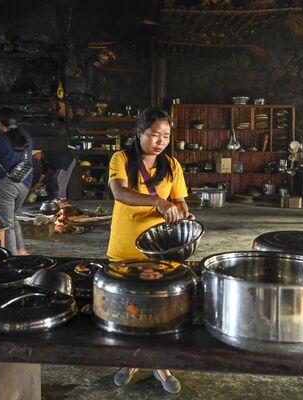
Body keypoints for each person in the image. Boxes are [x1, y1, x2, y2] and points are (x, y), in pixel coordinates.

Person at [107, 107, 194, 394]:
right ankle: (129, 361)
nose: (160, 141)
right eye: (154, 134)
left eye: (166, 136)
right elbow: (120, 193)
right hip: (125, 247)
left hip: (159, 250)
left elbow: (180, 203)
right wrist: (156, 202)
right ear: (139, 133)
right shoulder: (121, 159)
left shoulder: (172, 165)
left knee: (158, 311)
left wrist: (184, 215)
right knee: (127, 311)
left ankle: (159, 365)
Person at [0, 108, 33, 256]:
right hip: (25, 183)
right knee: (12, 218)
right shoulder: (26, 135)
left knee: (6, 225)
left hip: (6, 185)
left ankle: (12, 258)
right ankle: (21, 251)